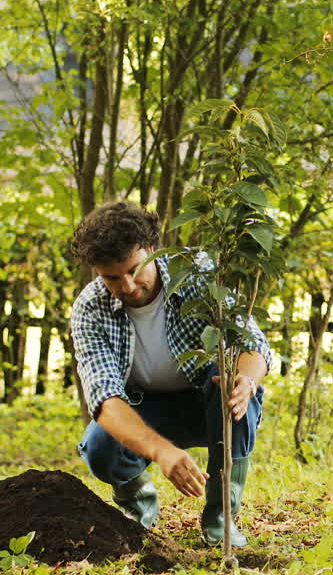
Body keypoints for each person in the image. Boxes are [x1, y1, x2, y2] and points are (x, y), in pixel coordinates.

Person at [69, 200, 271, 547]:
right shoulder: (90, 308)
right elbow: (105, 401)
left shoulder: (198, 273)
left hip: (205, 402)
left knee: (231, 392)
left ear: (151, 249)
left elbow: (254, 344)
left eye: (134, 270)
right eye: (112, 278)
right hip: (142, 411)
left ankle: (221, 518)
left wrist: (247, 379)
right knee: (100, 443)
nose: (128, 286)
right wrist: (162, 453)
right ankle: (138, 508)